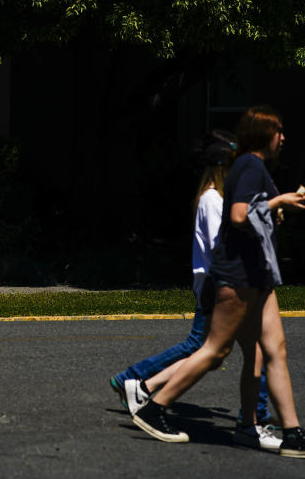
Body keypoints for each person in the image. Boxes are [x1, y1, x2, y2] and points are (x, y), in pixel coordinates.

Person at [131, 106, 305, 459]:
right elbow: (239, 215)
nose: (284, 138)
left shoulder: (254, 168)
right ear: (263, 135)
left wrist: (275, 211)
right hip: (239, 275)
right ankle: (153, 408)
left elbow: (251, 214)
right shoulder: (249, 165)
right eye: (279, 132)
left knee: (271, 350)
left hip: (258, 276)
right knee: (216, 349)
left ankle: (277, 431)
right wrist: (279, 201)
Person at [109, 131, 277, 451]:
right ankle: (140, 384)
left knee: (218, 350)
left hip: (225, 285)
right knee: (211, 348)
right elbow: (220, 247)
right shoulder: (213, 200)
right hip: (219, 287)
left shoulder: (220, 199)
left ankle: (140, 384)